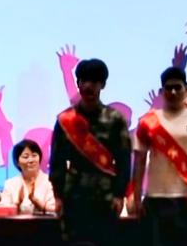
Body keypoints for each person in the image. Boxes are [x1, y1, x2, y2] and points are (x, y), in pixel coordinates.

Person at [50, 58, 132, 244]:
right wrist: (58, 196)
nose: (88, 86)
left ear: (102, 85)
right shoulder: (65, 119)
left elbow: (124, 161)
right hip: (73, 194)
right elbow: (57, 161)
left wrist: (119, 195)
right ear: (78, 83)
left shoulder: (115, 119)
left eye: (94, 81)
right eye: (84, 80)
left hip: (105, 195)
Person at [133, 67, 187, 246]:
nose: (173, 92)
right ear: (162, 91)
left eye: (178, 87)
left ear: (186, 89)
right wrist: (137, 197)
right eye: (168, 88)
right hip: (155, 199)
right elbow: (139, 162)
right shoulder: (147, 122)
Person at [0, 139, 57, 214]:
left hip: (43, 221)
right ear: (17, 162)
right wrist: (17, 203)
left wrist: (36, 202)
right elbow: (3, 209)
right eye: (25, 157)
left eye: (34, 155)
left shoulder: (50, 181)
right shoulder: (10, 183)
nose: (31, 160)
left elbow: (55, 209)